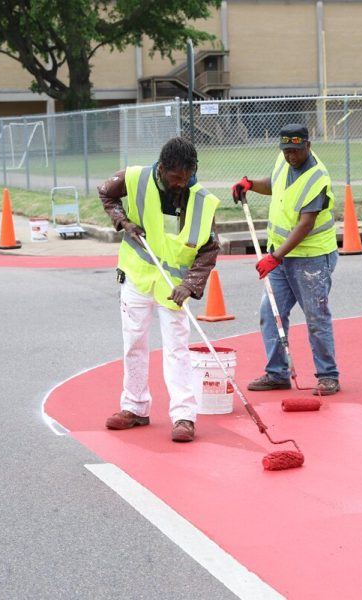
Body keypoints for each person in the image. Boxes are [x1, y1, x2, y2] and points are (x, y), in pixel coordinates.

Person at [99, 136, 221, 442]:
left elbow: (208, 249)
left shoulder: (202, 201)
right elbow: (106, 194)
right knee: (134, 343)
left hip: (173, 287)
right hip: (137, 275)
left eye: (188, 176)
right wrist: (122, 221)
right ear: (162, 168)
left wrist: (189, 285)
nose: (182, 183)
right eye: (176, 177)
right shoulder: (135, 178)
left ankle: (184, 416)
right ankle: (135, 407)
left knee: (177, 349)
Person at [231, 123, 340, 396]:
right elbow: (275, 184)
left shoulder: (317, 178)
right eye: (287, 150)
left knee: (316, 317)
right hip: (280, 255)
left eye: (296, 150)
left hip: (311, 257)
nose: (291, 156)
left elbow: (305, 224)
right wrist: (251, 185)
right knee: (271, 313)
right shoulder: (283, 160)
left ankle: (328, 375)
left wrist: (274, 257)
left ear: (308, 146)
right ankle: (277, 373)